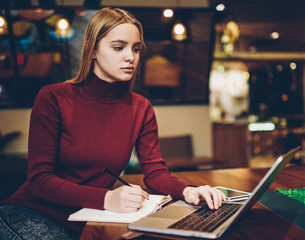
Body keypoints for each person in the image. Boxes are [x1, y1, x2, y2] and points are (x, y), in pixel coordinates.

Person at [0, 7, 226, 240]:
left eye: (136, 49)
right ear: (93, 50)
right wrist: (107, 198)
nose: (130, 57)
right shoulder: (53, 98)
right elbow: (39, 181)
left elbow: (155, 172)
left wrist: (187, 190)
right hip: (30, 213)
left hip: (90, 217)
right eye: (119, 47)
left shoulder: (141, 108)